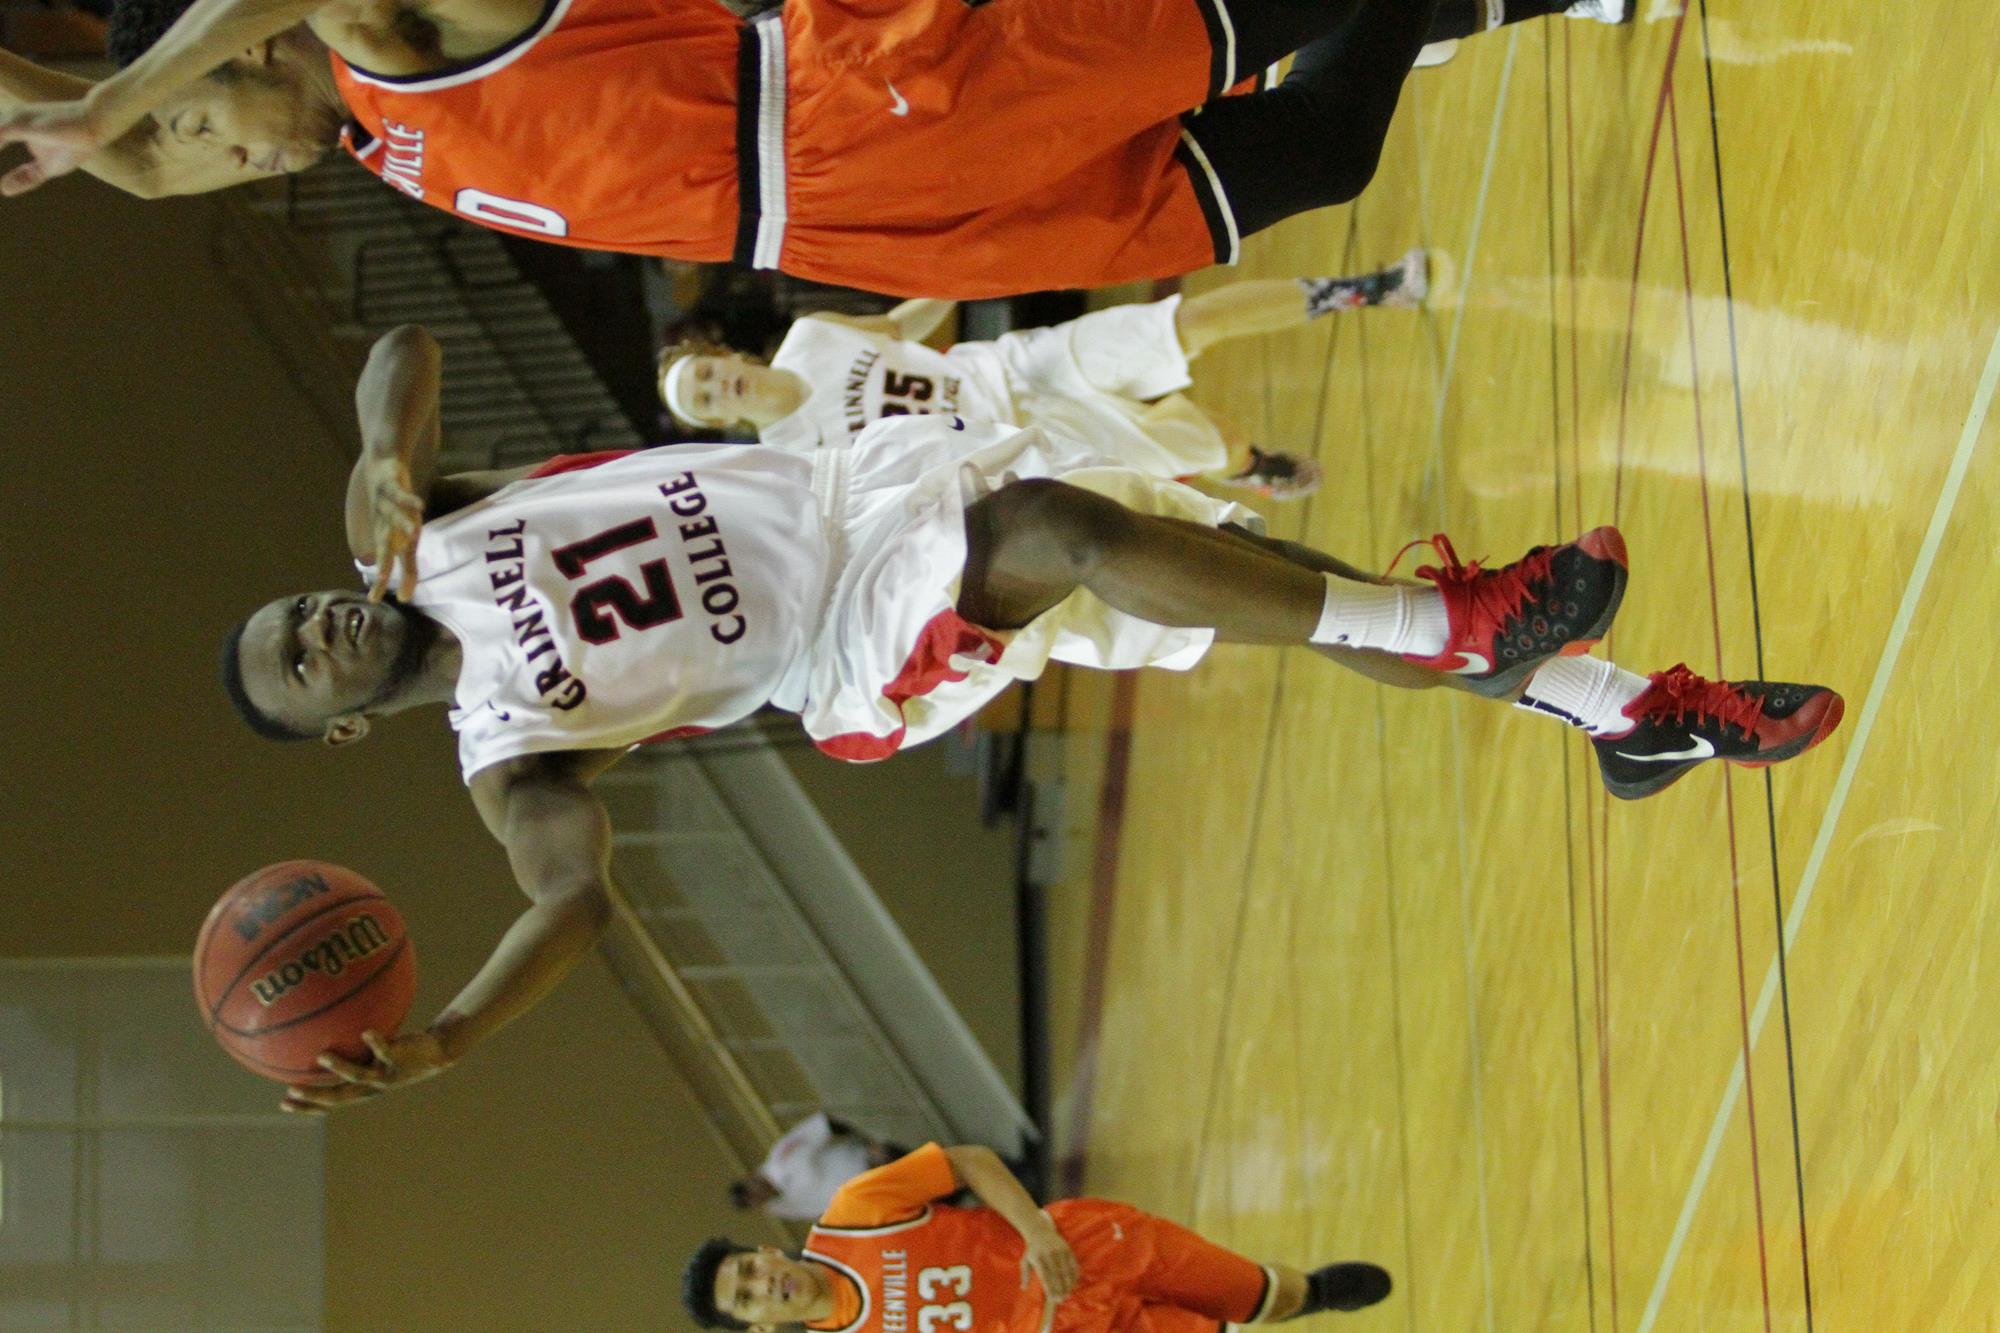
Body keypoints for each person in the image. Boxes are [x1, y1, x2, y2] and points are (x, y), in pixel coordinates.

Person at [237, 324, 1839, 1110]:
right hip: (845, 643)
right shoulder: (504, 745)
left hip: (848, 482)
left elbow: (401, 351)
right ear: (345, 729)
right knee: (1073, 534)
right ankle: (1485, 635)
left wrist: (383, 446)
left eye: (296, 610)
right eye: (302, 665)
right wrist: (450, 1033)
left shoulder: (422, 526)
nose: (319, 629)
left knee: (1248, 573)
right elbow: (574, 896)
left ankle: (1621, 712)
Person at [0, 0, 1625, 297]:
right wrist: (76, 129)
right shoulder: (355, 138)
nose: (201, 152)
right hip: (842, 231)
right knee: (1315, 159)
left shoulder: (390, 38)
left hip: (858, 105)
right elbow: (127, 167)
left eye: (197, 120)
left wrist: (110, 93)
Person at [657, 256, 1429, 501]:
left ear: (728, 358)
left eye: (708, 375)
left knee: (1179, 323)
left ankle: (1357, 289)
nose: (716, 389)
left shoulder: (811, 335)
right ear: (715, 422)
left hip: (1020, 367)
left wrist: (966, 275)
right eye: (703, 402)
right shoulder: (803, 458)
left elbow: (897, 329)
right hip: (1024, 442)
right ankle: (1251, 465)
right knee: (1205, 443)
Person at [684, 1141, 1395, 1330]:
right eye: (747, 1298)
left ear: (767, 1250)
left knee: (1254, 1293)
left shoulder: (852, 1212)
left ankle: (1310, 1294)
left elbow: (967, 1161)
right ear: (759, 1325)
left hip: (1076, 1245)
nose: (761, 1284)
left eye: (748, 1270)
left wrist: (1033, 1230)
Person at [731, 1113, 906, 1222]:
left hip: (868, 1160)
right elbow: (822, 1214)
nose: (757, 1195)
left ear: (749, 1178)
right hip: (870, 1195)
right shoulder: (782, 1209)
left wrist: (866, 1139)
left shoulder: (780, 1155)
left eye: (750, 1191)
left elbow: (822, 1126)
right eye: (752, 1200)